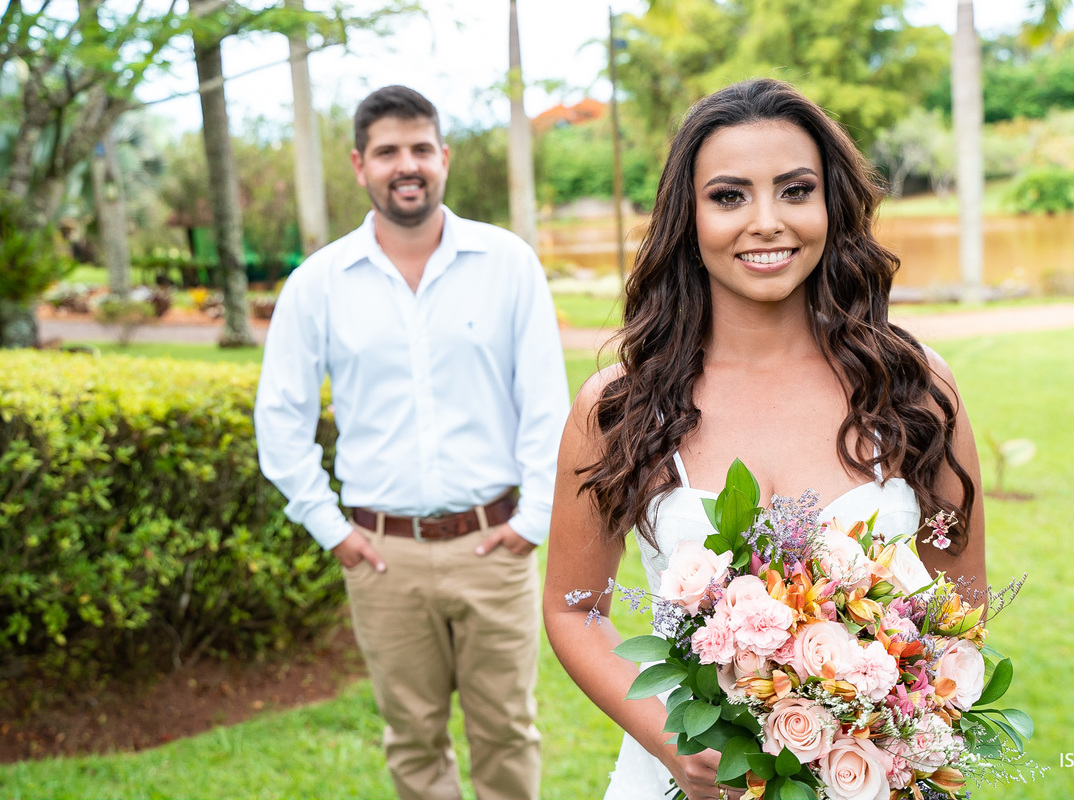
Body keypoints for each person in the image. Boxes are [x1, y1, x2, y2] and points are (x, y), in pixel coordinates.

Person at [542, 78, 986, 800]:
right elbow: (573, 608)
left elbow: (959, 605)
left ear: (831, 204)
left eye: (795, 190)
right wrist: (673, 743)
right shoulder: (620, 406)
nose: (767, 222)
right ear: (687, 217)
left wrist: (884, 728)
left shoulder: (913, 389)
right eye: (729, 196)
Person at [255, 85, 569, 800]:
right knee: (413, 739)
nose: (408, 165)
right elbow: (280, 418)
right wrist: (332, 531)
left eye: (421, 148)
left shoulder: (507, 263)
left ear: (444, 158)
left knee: (508, 734)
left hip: (493, 548)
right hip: (382, 557)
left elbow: (547, 406)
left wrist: (533, 522)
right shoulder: (318, 283)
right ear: (360, 164)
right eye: (388, 151)